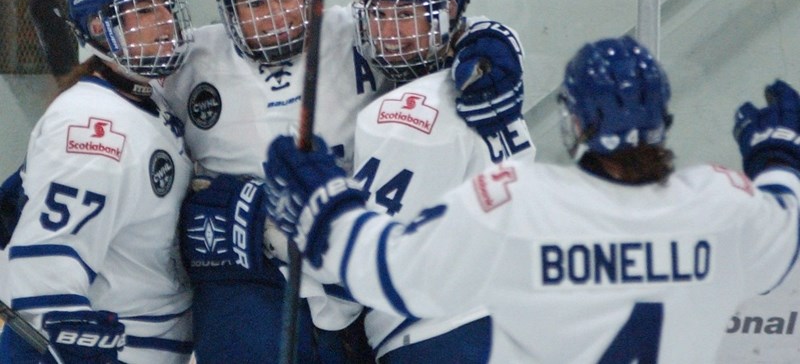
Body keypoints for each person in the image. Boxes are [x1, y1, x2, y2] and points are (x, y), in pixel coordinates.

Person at [263, 35, 800, 363]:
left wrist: (327, 208)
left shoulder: (524, 198)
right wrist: (779, 157)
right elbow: (782, 233)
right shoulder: (715, 204)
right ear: (664, 121)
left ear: (574, 124)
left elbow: (392, 266)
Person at [166, 0, 526, 362]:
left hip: (350, 281)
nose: (275, 16)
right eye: (254, 3)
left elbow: (429, 26)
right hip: (249, 278)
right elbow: (127, 103)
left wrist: (492, 39)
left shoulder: (354, 32)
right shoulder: (190, 60)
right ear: (225, 7)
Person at [0, 0, 195, 363]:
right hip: (123, 347)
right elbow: (50, 257)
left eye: (165, 6)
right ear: (98, 28)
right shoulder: (93, 127)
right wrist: (63, 334)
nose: (163, 22)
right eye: (142, 11)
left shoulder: (145, 96)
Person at [349, 0, 534, 362]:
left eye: (407, 15)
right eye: (380, 15)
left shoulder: (403, 111)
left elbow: (359, 254)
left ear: (447, 12)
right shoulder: (489, 86)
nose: (390, 33)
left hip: (438, 335)